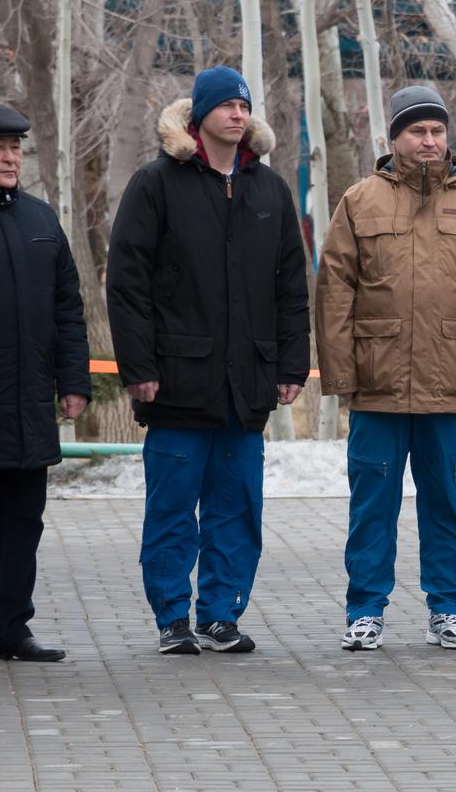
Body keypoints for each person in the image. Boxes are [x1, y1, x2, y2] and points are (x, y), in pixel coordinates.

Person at [108, 66, 310, 655]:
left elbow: (291, 287)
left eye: (244, 106)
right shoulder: (157, 183)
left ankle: (220, 615)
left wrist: (292, 366)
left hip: (246, 386)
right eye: (226, 106)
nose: (238, 114)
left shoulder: (269, 189)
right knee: (172, 509)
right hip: (177, 380)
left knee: (236, 507)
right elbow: (127, 282)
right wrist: (138, 367)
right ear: (199, 116)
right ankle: (172, 618)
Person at [315, 86, 456, 652]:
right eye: (417, 131)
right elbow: (335, 290)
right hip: (377, 384)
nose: (429, 141)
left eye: (437, 131)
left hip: (450, 384)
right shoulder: (360, 200)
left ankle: (448, 609)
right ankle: (365, 610)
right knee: (371, 507)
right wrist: (342, 375)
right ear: (394, 138)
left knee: (448, 505)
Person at [0, 101, 90, 668]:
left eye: (15, 148)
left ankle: (8, 632)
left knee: (19, 527)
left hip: (27, 404)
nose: (10, 158)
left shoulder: (40, 219)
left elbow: (67, 308)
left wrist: (74, 380)